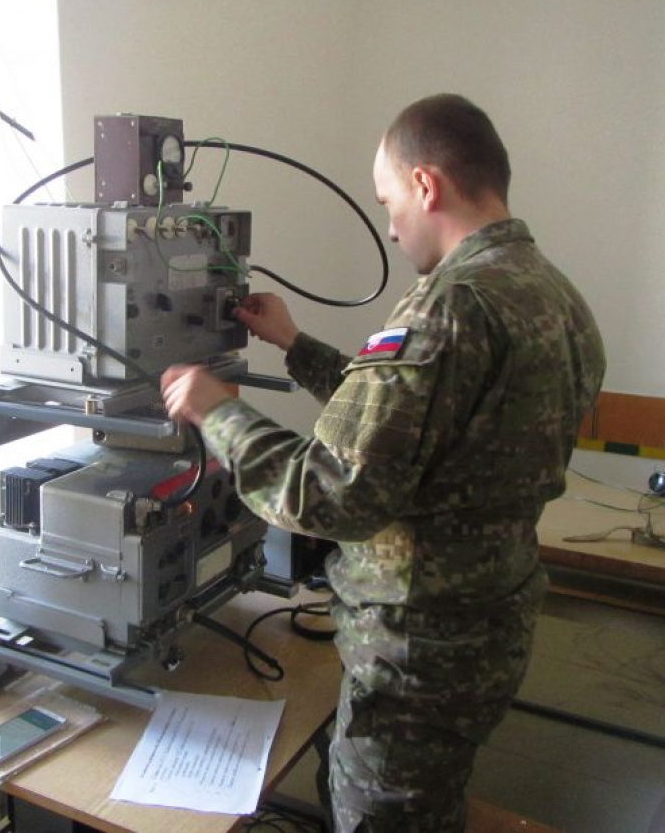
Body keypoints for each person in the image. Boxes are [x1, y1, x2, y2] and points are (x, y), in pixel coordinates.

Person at [161, 94, 606, 833]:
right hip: (489, 623)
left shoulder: (450, 305)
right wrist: (296, 344)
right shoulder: (554, 295)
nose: (392, 227)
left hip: (416, 652)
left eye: (388, 202)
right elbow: (423, 427)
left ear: (426, 185)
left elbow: (333, 495)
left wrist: (217, 413)